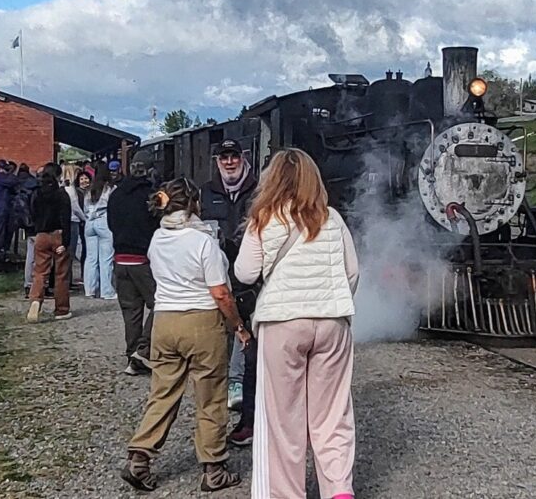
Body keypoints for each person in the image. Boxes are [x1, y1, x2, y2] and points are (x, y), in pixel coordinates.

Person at [234, 148, 359, 499]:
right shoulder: (332, 218)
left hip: (282, 323)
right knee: (333, 414)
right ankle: (339, 491)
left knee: (283, 419)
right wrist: (331, 301)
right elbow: (352, 273)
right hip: (332, 323)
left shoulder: (264, 217)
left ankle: (287, 494)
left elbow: (244, 273)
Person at [120, 178, 250, 492]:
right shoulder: (203, 242)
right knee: (210, 396)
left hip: (164, 321)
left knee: (163, 393)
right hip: (201, 321)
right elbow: (220, 293)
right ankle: (214, 468)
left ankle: (140, 457)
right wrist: (238, 326)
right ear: (193, 204)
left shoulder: (157, 238)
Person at [200, 139, 258, 441]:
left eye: (234, 156)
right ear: (217, 161)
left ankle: (236, 383)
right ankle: (217, 381)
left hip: (248, 268)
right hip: (216, 268)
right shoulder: (207, 191)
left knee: (242, 325)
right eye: (224, 157)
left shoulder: (257, 189)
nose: (230, 161)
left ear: (242, 158)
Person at [107, 160, 159, 375]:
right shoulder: (152, 196)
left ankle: (132, 356)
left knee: (131, 311)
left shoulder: (116, 194)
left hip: (120, 259)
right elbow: (157, 224)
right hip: (143, 259)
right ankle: (143, 350)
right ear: (150, 171)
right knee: (162, 303)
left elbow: (111, 224)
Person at [25, 163, 73, 323]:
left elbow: (32, 213)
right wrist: (65, 242)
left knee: (39, 272)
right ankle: (61, 310)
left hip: (41, 235)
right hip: (58, 235)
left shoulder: (37, 193)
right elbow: (66, 219)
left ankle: (35, 301)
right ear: (58, 176)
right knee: (61, 274)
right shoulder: (62, 195)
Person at [83, 170, 117, 299]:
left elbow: (85, 208)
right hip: (104, 221)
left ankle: (90, 290)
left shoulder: (89, 190)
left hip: (89, 222)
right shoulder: (110, 189)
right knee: (106, 259)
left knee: (91, 258)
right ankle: (107, 291)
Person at [66, 171, 90, 285]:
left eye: (86, 178)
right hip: (80, 222)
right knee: (74, 249)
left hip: (85, 222)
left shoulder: (92, 191)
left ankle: (84, 275)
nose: (84, 181)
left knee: (85, 249)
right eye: (81, 179)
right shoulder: (77, 193)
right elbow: (77, 208)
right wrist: (84, 218)